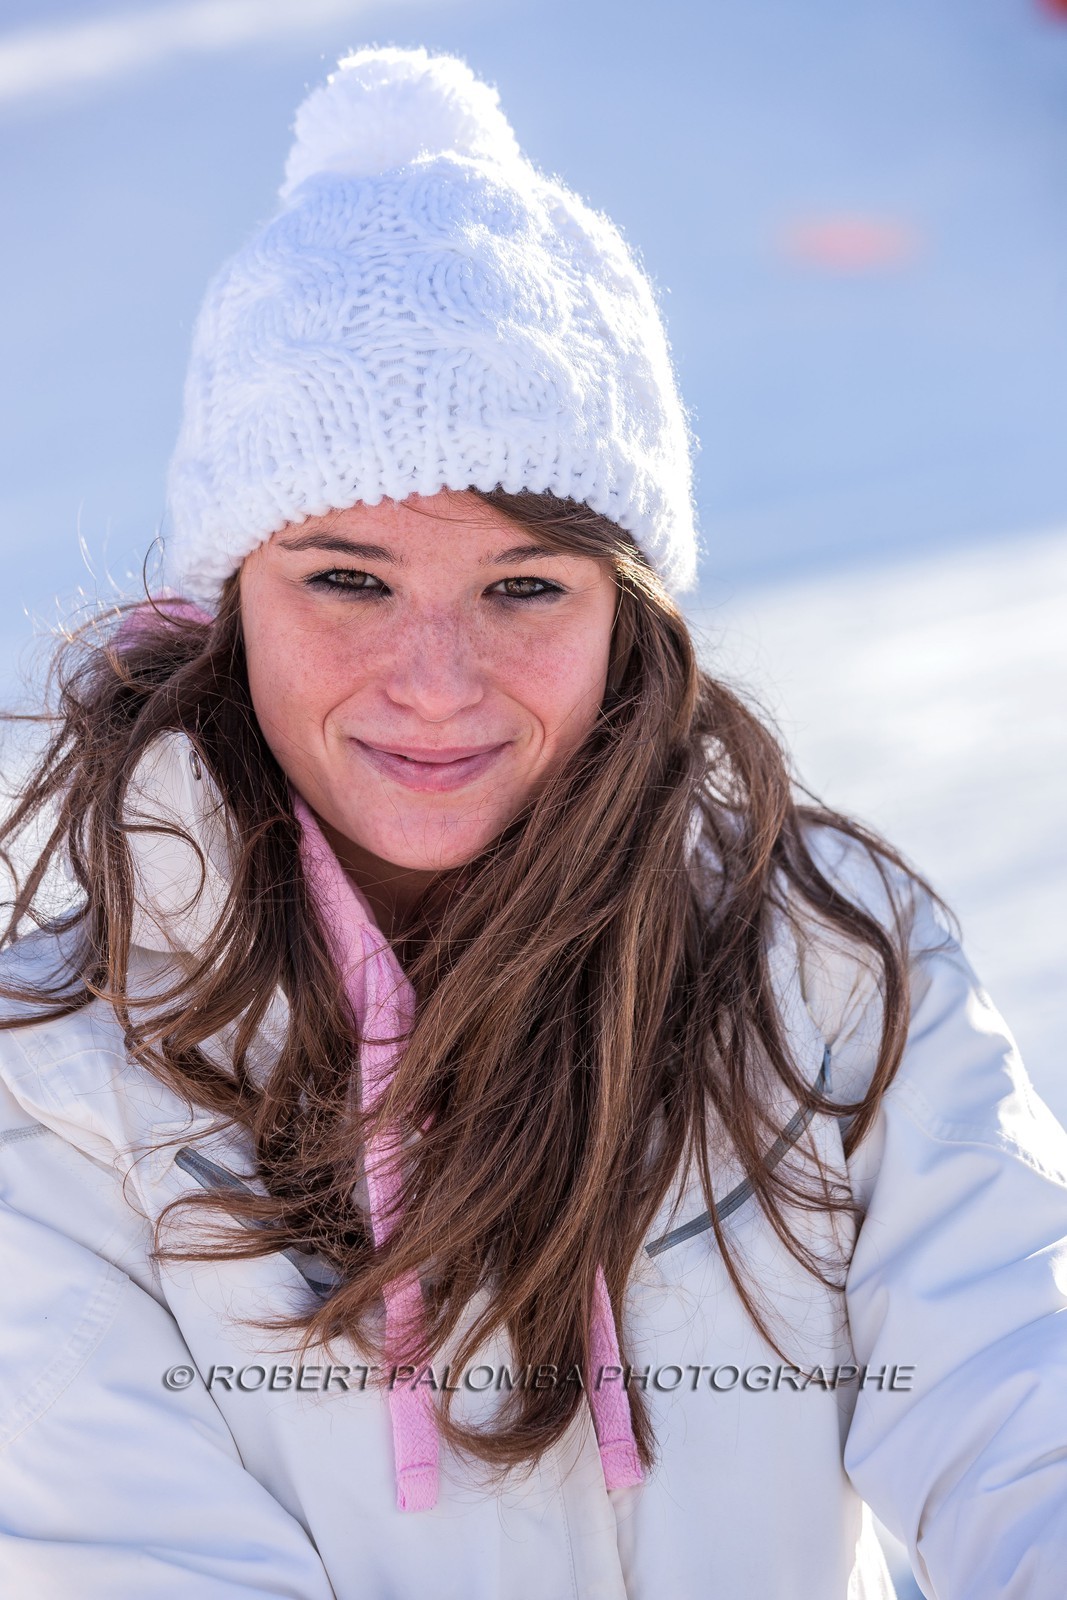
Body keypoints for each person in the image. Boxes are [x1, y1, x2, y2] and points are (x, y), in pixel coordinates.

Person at [0, 46, 1064, 1600]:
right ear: (234, 600)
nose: (436, 684)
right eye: (348, 579)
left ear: (630, 619)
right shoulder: (62, 1079)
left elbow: (1024, 1401)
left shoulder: (825, 966)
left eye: (523, 588)